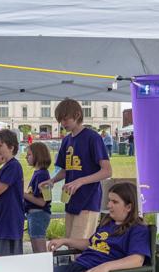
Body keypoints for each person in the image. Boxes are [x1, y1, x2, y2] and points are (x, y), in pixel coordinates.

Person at [47, 182, 150, 272]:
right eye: (109, 200)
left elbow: (137, 260)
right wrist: (65, 241)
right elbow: (90, 243)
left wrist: (106, 267)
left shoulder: (138, 229)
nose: (109, 205)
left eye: (115, 202)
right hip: (80, 266)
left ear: (129, 207)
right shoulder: (108, 222)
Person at [40, 99, 111, 240]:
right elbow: (67, 169)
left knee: (80, 247)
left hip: (88, 200)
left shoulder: (93, 138)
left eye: (65, 119)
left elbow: (107, 171)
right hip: (70, 199)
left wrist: (80, 181)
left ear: (77, 115)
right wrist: (52, 181)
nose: (63, 124)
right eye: (61, 120)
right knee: (70, 244)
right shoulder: (66, 140)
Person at [24, 142, 52, 253]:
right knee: (35, 250)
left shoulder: (42, 175)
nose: (26, 157)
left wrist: (23, 194)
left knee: (40, 251)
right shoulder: (38, 173)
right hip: (33, 215)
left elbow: (42, 202)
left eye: (29, 154)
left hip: (39, 214)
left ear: (38, 156)